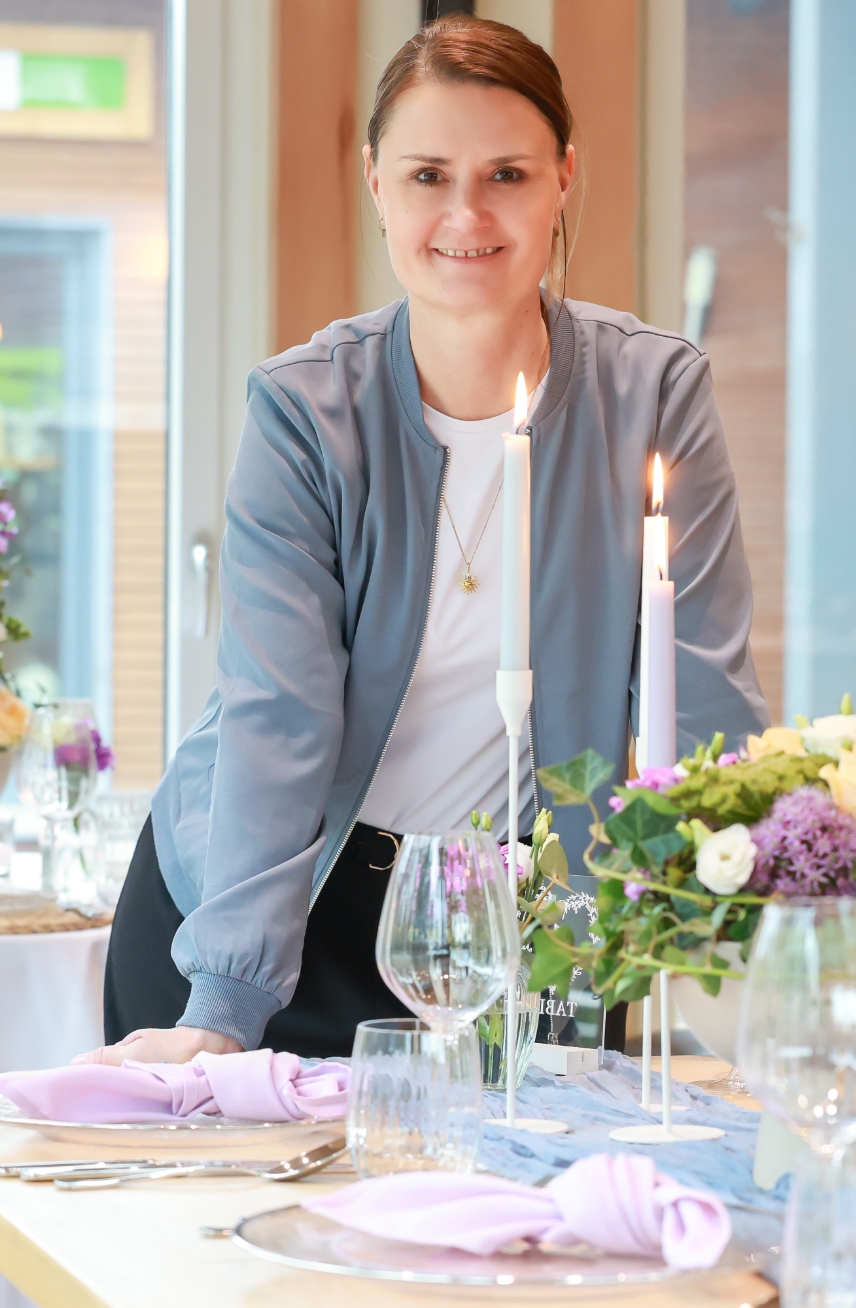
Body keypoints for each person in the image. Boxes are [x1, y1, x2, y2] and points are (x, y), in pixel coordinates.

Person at [80, 14, 768, 1068]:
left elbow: (703, 691)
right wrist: (220, 1005)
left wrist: (730, 943)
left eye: (506, 174)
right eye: (427, 175)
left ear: (563, 180)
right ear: (375, 183)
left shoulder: (652, 393)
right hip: (268, 916)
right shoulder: (306, 411)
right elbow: (279, 714)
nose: (465, 213)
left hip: (516, 939)